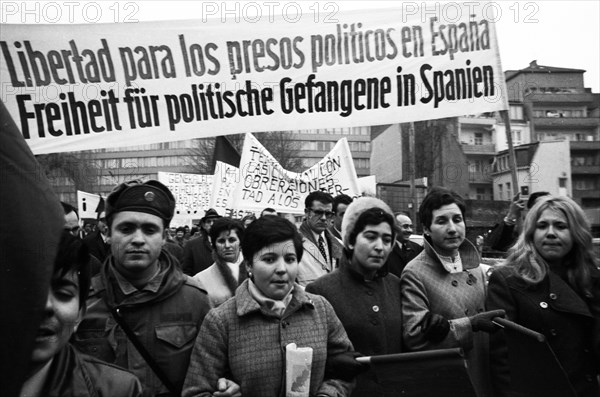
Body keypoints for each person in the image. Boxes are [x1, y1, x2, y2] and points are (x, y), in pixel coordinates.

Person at [182, 216, 355, 397]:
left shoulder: (320, 309)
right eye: (269, 259)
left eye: (289, 259)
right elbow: (196, 390)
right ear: (248, 264)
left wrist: (328, 394)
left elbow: (346, 369)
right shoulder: (221, 321)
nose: (282, 269)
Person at [72, 180, 211, 397]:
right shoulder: (81, 300)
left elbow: (210, 373)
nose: (138, 239)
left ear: (165, 236)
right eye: (126, 229)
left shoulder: (194, 299)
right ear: (107, 233)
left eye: (150, 230)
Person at [486, 195, 600, 397]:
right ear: (531, 233)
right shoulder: (508, 280)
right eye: (542, 226)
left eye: (560, 226)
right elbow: (504, 364)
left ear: (576, 233)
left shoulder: (591, 278)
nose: (550, 233)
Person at [400, 187, 504, 397]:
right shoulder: (415, 272)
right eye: (441, 221)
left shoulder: (475, 265)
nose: (452, 228)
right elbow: (414, 337)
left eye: (457, 219)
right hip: (449, 379)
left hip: (485, 371)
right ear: (426, 229)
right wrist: (469, 325)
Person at [20, 231, 142, 397]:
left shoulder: (119, 390)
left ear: (79, 314)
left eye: (63, 293)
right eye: (27, 291)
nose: (46, 306)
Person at [306, 197, 402, 396]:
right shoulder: (320, 290)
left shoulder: (397, 286)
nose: (379, 247)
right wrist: (330, 364)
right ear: (350, 240)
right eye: (370, 237)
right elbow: (310, 354)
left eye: (386, 240)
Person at [193, 218, 248, 307]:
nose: (227, 245)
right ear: (214, 245)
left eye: (232, 240)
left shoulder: (256, 271)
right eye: (221, 241)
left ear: (240, 242)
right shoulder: (200, 280)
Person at [298, 191, 344, 286]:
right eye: (318, 212)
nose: (323, 218)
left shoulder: (339, 244)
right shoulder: (292, 244)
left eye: (328, 214)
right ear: (307, 213)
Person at [182, 208, 221, 276]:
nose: (212, 224)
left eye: (215, 221)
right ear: (203, 225)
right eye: (208, 221)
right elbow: (185, 272)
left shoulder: (228, 243)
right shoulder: (192, 245)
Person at [385, 211, 423, 278]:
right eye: (405, 226)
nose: (410, 230)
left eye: (411, 227)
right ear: (394, 228)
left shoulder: (417, 248)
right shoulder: (386, 249)